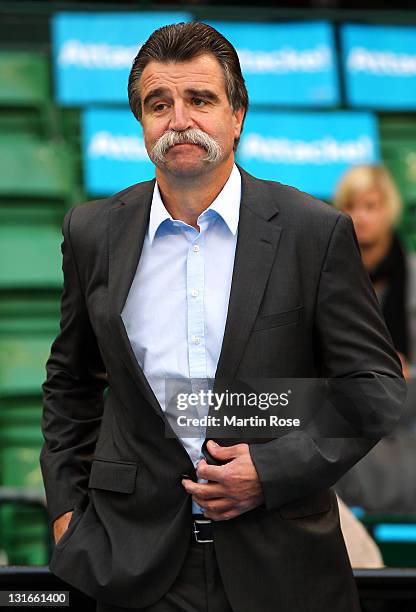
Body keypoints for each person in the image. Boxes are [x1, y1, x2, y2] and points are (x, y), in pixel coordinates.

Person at [39, 21, 406, 612]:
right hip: (132, 566)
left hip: (282, 565)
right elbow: (69, 386)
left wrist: (271, 467)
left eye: (200, 99)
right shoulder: (92, 232)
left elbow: (375, 389)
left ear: (237, 115)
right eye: (159, 103)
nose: (179, 119)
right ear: (141, 122)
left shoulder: (314, 231)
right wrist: (65, 516)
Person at [333, 164, 411, 376]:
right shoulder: (328, 272)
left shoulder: (410, 272)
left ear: (389, 209)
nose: (360, 216)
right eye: (351, 206)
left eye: (370, 206)